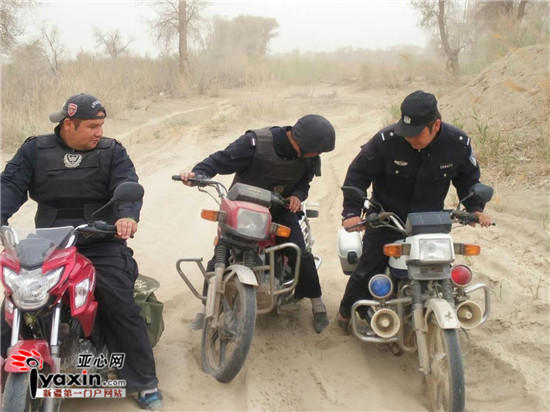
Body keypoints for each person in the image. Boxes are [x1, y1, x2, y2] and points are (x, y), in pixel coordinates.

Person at [0, 93, 162, 410]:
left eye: (101, 125)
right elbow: (10, 185)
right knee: (19, 296)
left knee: (117, 298)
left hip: (100, 241)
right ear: (69, 124)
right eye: (92, 126)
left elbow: (126, 183)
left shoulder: (112, 151)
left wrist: (127, 215)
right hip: (50, 243)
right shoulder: (35, 149)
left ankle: (143, 381)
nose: (99, 132)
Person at [336, 90, 492, 329]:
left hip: (429, 222)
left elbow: (468, 179)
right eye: (406, 132)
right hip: (388, 219)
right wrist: (351, 212)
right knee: (368, 267)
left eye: (416, 134)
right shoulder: (386, 140)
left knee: (442, 268)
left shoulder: (458, 144)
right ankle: (346, 313)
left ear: (436, 125)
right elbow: (357, 175)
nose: (410, 139)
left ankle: (445, 305)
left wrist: (476, 208)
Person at [180, 114, 336, 333]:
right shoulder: (255, 143)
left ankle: (317, 304)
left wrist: (298, 196)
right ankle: (207, 305)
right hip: (243, 209)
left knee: (300, 253)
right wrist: (198, 173)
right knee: (220, 253)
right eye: (318, 151)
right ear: (303, 143)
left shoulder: (308, 157)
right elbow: (220, 159)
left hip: (279, 209)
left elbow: (304, 182)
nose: (318, 155)